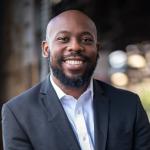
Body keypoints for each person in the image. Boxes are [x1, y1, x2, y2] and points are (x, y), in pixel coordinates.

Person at [2, 9, 150, 150]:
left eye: (86, 39)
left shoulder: (130, 105)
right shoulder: (18, 113)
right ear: (46, 49)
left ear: (97, 49)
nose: (75, 47)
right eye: (63, 39)